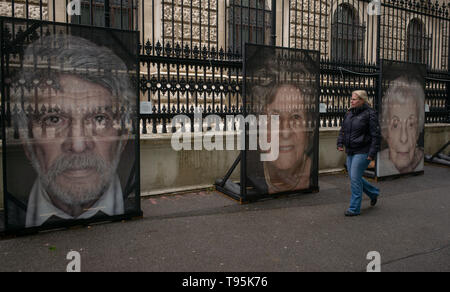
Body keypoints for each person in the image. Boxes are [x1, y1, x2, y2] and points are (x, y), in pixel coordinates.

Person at [9, 34, 135, 228]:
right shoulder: (10, 214)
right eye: (53, 120)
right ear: (26, 141)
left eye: (99, 119)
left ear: (123, 137)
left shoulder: (132, 203)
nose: (77, 145)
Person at [261, 83, 313, 194]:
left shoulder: (312, 174)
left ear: (307, 134)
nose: (285, 133)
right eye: (275, 117)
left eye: (295, 117)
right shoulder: (252, 172)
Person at [337, 90, 380, 216]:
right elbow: (343, 130)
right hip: (351, 150)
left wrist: (372, 153)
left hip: (363, 151)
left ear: (362, 100)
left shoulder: (370, 114)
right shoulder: (349, 113)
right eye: (351, 98)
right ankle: (373, 193)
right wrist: (340, 143)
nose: (351, 101)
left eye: (354, 99)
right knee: (354, 177)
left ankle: (354, 208)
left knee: (355, 178)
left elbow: (376, 135)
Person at [379, 77, 424, 175]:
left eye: (411, 125)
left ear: (417, 132)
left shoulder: (421, 163)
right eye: (395, 125)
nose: (404, 138)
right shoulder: (379, 166)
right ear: (386, 131)